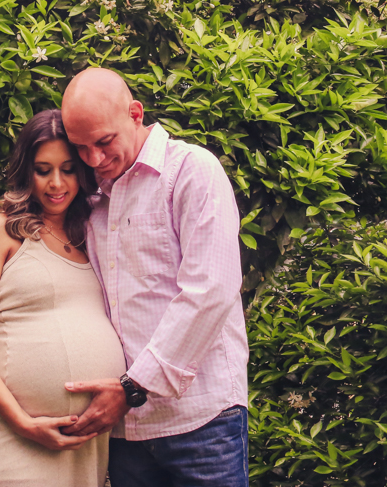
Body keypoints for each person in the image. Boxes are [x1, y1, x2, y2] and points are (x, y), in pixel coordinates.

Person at [58, 67, 249, 487]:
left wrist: (131, 388)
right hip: (125, 433)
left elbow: (211, 291)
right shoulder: (91, 199)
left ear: (135, 113)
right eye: (81, 148)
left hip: (202, 420)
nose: (93, 159)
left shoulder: (192, 171)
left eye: (104, 142)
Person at [0, 109, 127, 487]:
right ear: (27, 171)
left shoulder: (93, 235)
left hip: (85, 447)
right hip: (15, 438)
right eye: (43, 170)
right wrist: (22, 423)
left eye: (67, 169)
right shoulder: (0, 231)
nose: (56, 183)